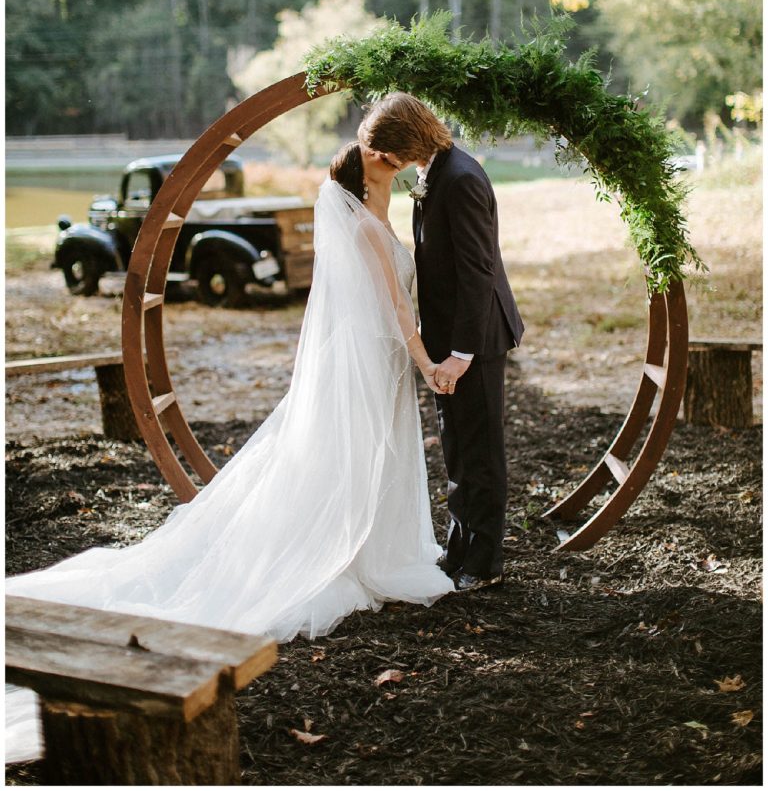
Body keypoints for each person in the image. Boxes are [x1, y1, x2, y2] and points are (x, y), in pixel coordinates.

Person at [5, 142, 454, 763]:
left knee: (359, 453)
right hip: (372, 360)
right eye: (387, 157)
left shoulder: (370, 220)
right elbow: (399, 308)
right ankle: (357, 545)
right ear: (369, 170)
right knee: (358, 453)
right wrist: (425, 359)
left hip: (363, 360)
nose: (398, 162)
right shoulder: (371, 231)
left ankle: (369, 534)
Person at [358, 92, 525, 593]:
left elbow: (478, 272)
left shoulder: (463, 178)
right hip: (447, 337)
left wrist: (459, 354)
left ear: (405, 140)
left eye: (388, 152)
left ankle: (485, 562)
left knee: (480, 452)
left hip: (474, 340)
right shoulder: (436, 172)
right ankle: (458, 550)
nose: (386, 163)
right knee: (455, 446)